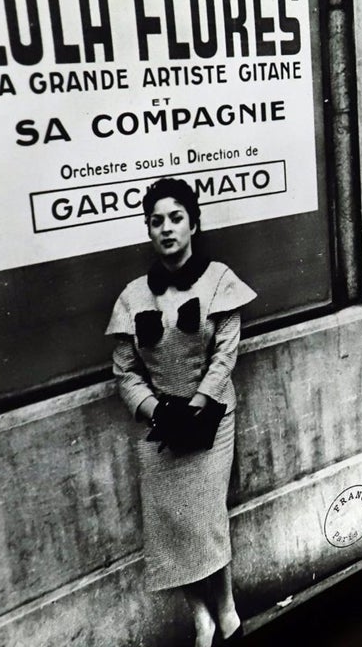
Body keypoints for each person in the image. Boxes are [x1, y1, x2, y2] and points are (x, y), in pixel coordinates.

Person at [106, 177, 256, 646]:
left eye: (176, 218)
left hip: (212, 419)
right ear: (148, 231)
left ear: (193, 222)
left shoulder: (219, 282)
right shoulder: (133, 296)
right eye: (157, 221)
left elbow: (226, 354)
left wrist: (196, 404)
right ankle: (201, 618)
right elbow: (125, 371)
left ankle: (227, 610)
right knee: (172, 524)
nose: (167, 228)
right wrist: (154, 410)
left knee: (207, 516)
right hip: (160, 427)